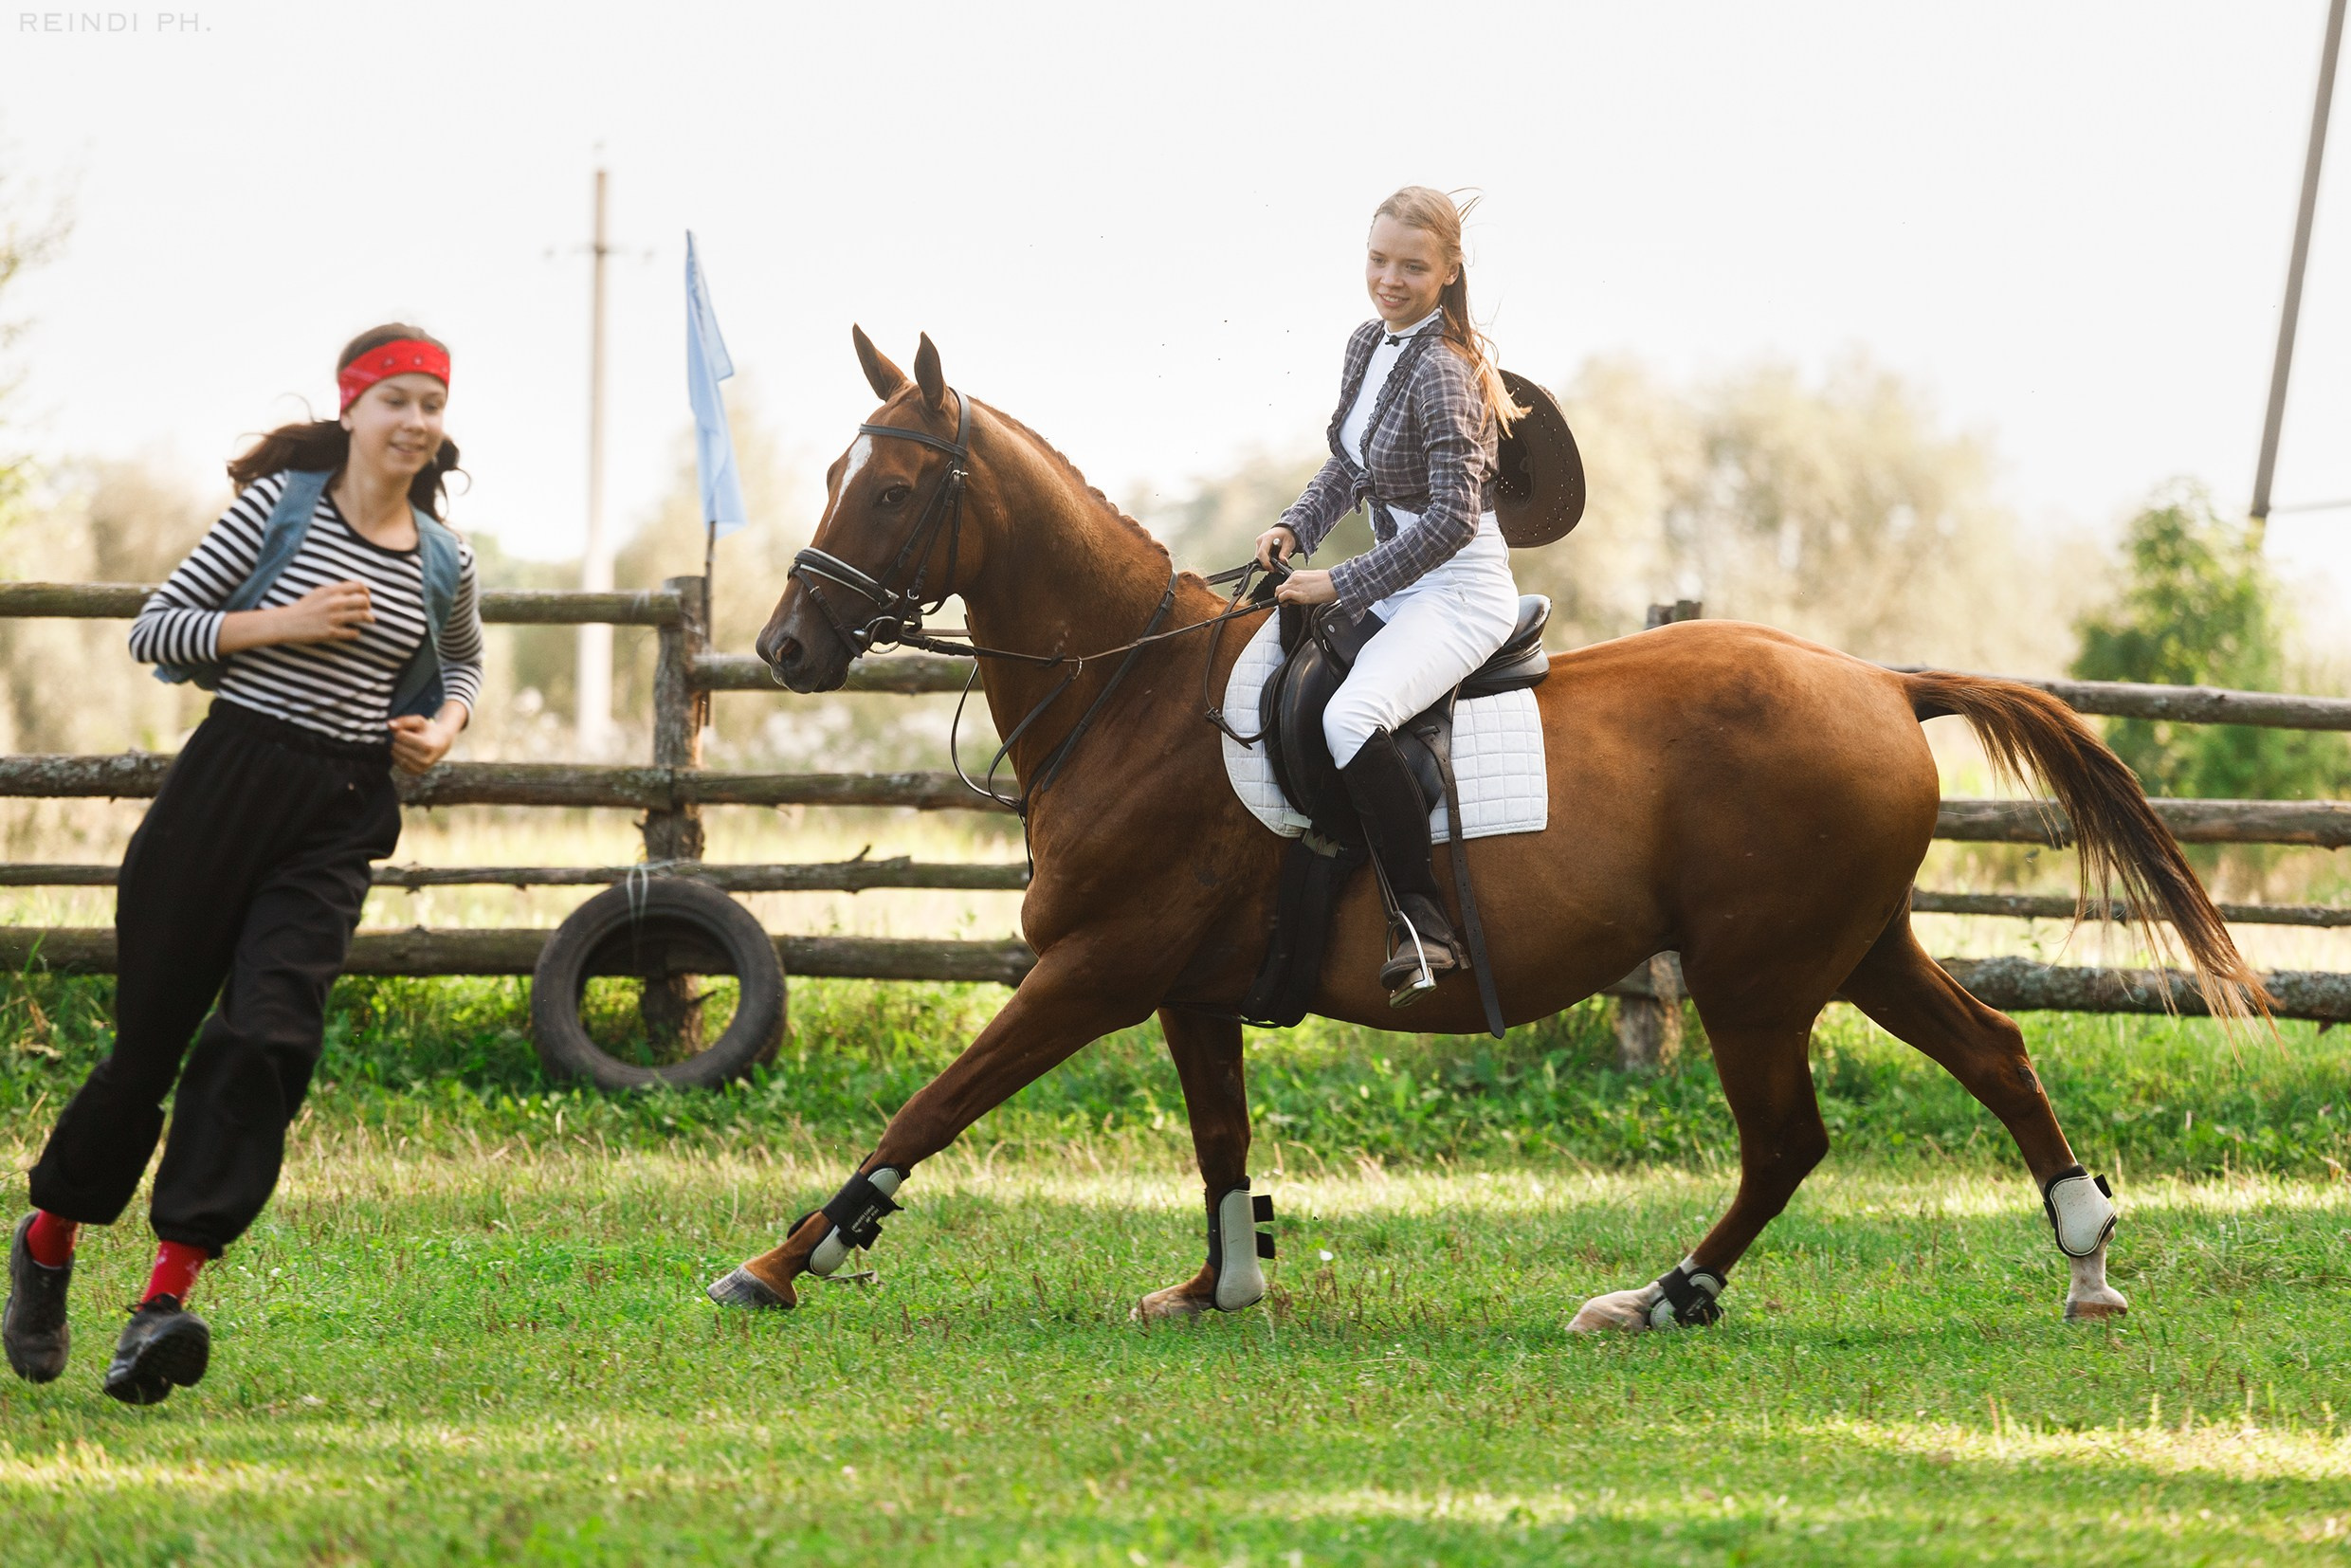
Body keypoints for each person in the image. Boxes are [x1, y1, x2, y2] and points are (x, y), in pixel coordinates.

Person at [3, 324, 483, 1403]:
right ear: (352, 409)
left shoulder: (446, 558)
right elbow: (156, 630)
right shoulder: (279, 512)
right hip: (224, 790)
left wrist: (446, 722)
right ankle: (46, 1240)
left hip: (341, 810)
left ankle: (161, 1303)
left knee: (269, 1036)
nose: (415, 421)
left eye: (432, 404)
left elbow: (465, 662)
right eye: (396, 399)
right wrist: (282, 622)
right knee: (146, 1054)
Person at [1255, 186, 1528, 1003]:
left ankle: (1422, 921)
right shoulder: (1367, 344)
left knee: (1350, 715)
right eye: (1379, 260)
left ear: (1447, 273)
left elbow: (1450, 519)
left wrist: (1339, 579)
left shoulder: (1444, 369)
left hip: (1462, 590)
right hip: (1408, 582)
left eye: (1413, 266)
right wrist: (1296, 525)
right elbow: (1347, 465)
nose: (1390, 279)